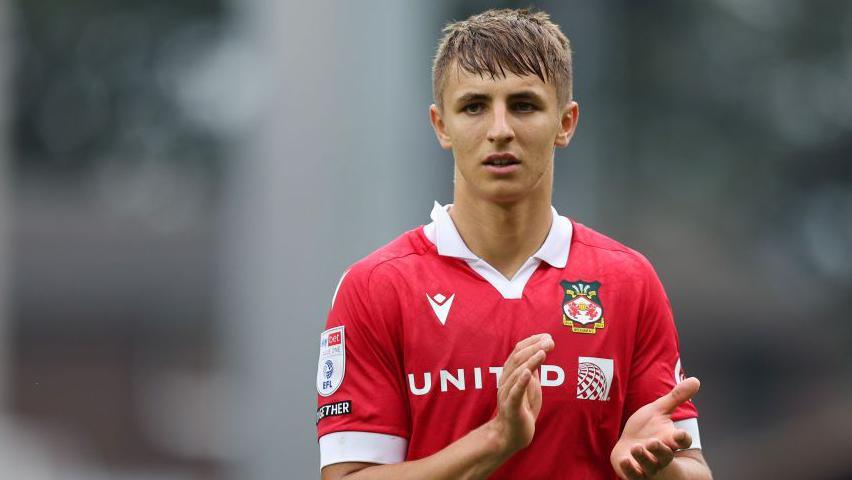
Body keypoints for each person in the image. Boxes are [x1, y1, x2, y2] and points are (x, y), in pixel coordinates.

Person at [316, 8, 712, 480]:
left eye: (523, 105)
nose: (499, 129)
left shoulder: (628, 281)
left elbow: (693, 472)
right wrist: (494, 441)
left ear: (565, 123)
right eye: (474, 106)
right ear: (441, 125)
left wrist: (657, 466)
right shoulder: (377, 287)